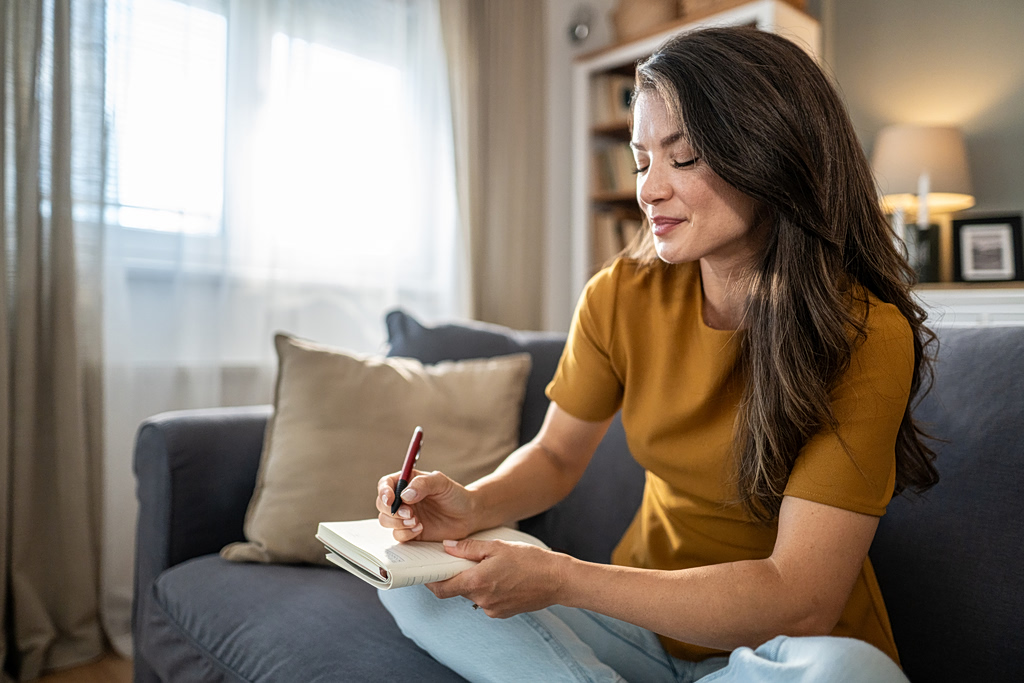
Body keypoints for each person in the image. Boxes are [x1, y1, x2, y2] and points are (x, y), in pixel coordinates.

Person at [374, 25, 938, 683]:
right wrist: (472, 503)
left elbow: (801, 595)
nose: (648, 190)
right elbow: (556, 455)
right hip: (634, 629)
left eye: (684, 157)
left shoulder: (864, 334)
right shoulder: (622, 293)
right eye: (642, 161)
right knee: (411, 581)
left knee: (854, 674)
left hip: (778, 649)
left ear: (773, 155)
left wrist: (560, 577)